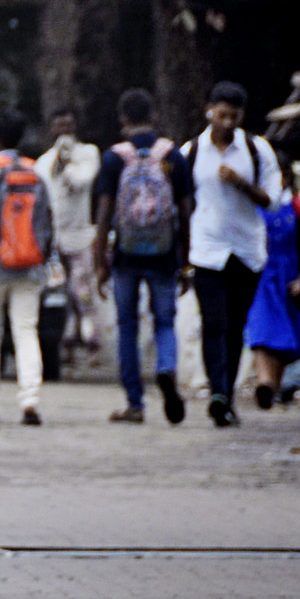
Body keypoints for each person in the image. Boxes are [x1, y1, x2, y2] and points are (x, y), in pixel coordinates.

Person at [90, 87, 196, 425]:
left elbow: (105, 214)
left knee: (127, 327)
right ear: (153, 116)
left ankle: (135, 403)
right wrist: (186, 259)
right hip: (165, 254)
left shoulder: (114, 158)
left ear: (123, 119)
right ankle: (166, 368)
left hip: (126, 255)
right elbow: (185, 210)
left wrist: (99, 262)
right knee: (165, 321)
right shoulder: (172, 156)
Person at [183, 80, 284, 426]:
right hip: (207, 250)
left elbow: (273, 202)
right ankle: (219, 393)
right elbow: (182, 202)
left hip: (246, 251)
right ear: (209, 111)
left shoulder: (258, 151)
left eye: (234, 116)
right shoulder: (191, 152)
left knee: (235, 324)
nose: (227, 122)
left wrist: (242, 183)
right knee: (213, 322)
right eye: (222, 114)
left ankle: (226, 393)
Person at [0, 108, 53, 425]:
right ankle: (30, 400)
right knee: (26, 331)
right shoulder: (37, 172)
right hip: (30, 266)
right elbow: (48, 222)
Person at [246, 154, 300, 410]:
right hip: (261, 278)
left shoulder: (298, 209)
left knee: (283, 339)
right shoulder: (255, 207)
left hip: (288, 280)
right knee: (260, 331)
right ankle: (264, 381)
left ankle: (271, 389)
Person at [35, 108, 100, 366]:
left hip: (80, 235)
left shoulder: (87, 154)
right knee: (56, 293)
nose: (64, 132)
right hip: (53, 238)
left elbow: (81, 182)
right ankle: (65, 343)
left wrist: (67, 164)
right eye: (59, 126)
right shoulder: (43, 162)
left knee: (82, 291)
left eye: (68, 126)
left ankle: (92, 342)